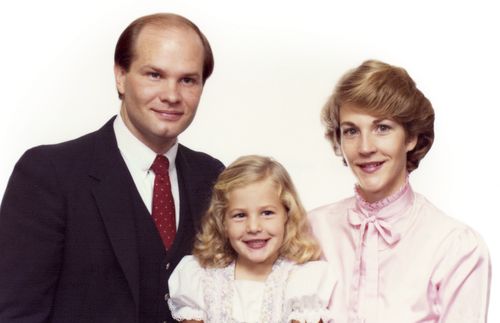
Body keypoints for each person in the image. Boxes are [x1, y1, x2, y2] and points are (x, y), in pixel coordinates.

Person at [0, 13, 224, 323]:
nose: (172, 95)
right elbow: (16, 314)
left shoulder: (213, 177)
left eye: (187, 80)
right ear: (120, 75)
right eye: (154, 75)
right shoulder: (49, 174)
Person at [309, 59, 491, 323]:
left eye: (382, 128)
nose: (365, 147)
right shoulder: (311, 230)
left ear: (411, 137)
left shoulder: (455, 247)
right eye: (351, 131)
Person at [167, 155, 336, 323]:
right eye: (240, 215)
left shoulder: (302, 280)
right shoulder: (201, 279)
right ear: (222, 221)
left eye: (267, 213)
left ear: (287, 214)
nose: (254, 227)